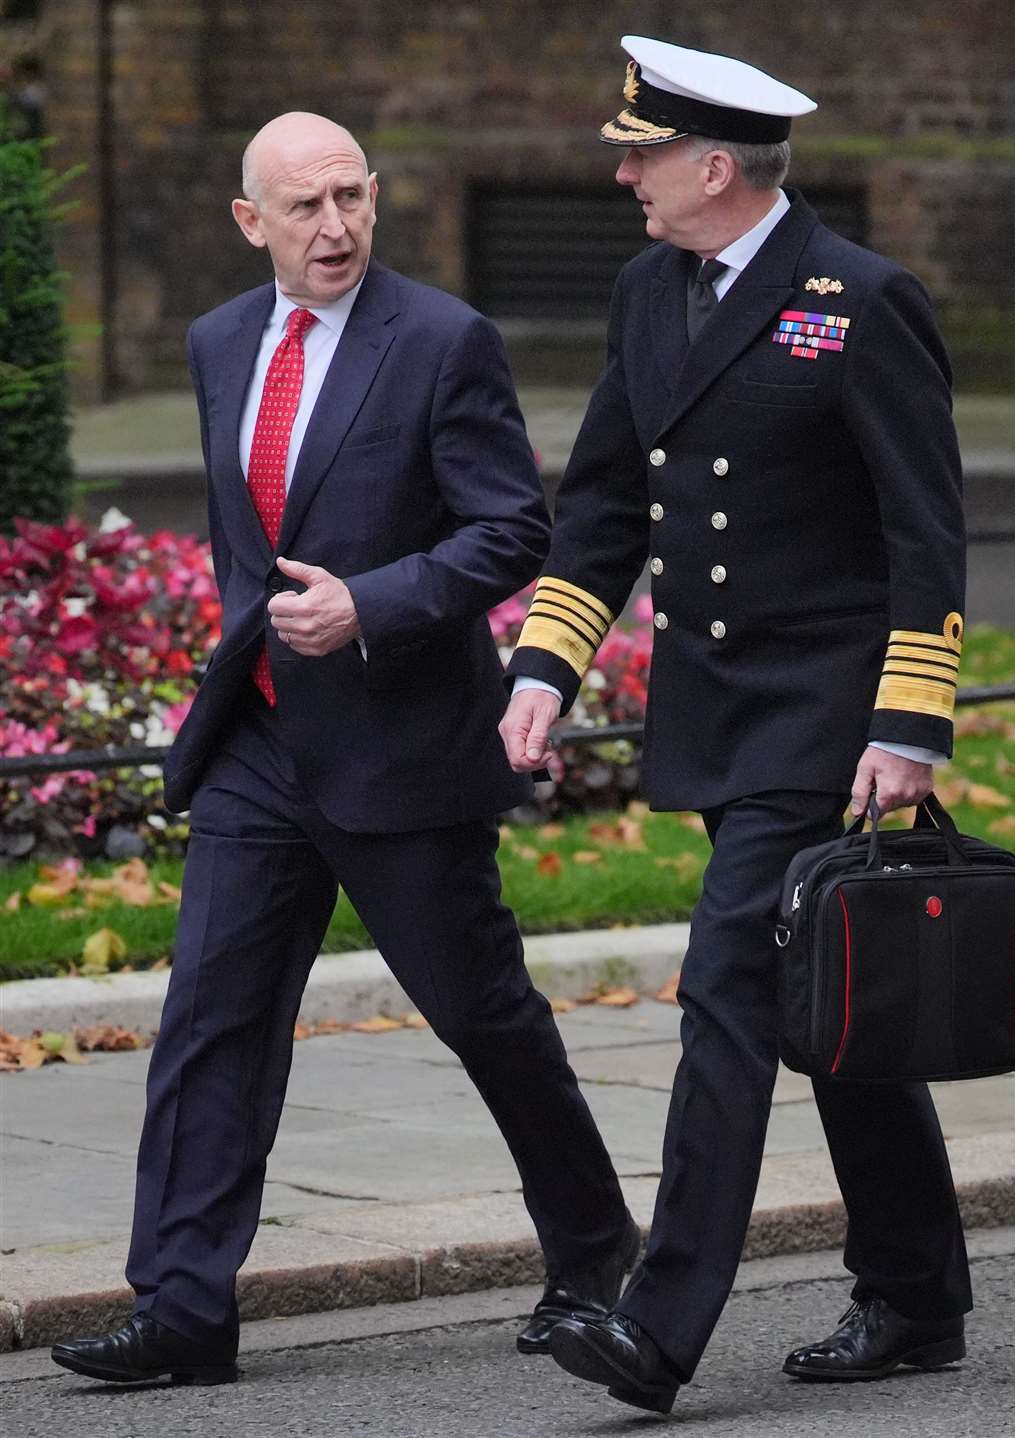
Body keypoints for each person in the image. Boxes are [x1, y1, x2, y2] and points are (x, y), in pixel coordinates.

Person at [52, 111, 637, 1388]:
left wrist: (370, 603)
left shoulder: (439, 341)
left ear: (374, 199)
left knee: (484, 1014)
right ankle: (183, 1312)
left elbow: (509, 530)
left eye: (352, 200)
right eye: (305, 209)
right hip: (262, 738)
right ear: (249, 223)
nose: (335, 229)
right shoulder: (218, 343)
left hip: (401, 748)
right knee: (210, 1017)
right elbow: (244, 543)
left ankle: (596, 1253)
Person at [501, 36, 971, 1416]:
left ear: (715, 167)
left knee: (727, 993)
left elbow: (924, 533)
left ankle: (661, 1320)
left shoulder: (860, 298)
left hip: (827, 720)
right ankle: (918, 1292)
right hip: (719, 708)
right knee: (833, 1009)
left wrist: (913, 725)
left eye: (641, 153)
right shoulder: (651, 287)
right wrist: (544, 672)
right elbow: (601, 506)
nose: (624, 172)